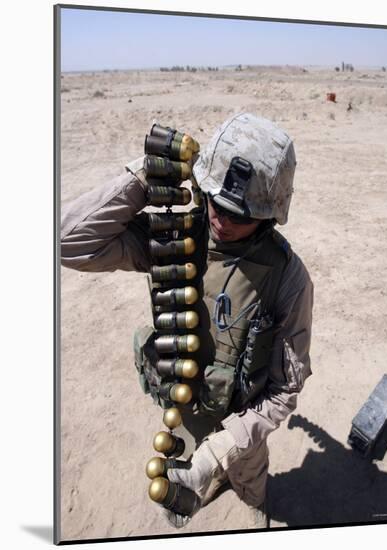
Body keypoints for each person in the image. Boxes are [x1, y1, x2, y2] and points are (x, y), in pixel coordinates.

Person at [61, 112, 314, 530]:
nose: (222, 220)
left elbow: (285, 390)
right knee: (191, 462)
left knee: (249, 479)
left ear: (269, 215)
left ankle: (252, 499)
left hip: (244, 421)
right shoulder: (176, 237)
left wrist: (218, 454)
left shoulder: (288, 278)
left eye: (240, 213)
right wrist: (146, 177)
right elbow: (69, 243)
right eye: (216, 201)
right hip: (188, 406)